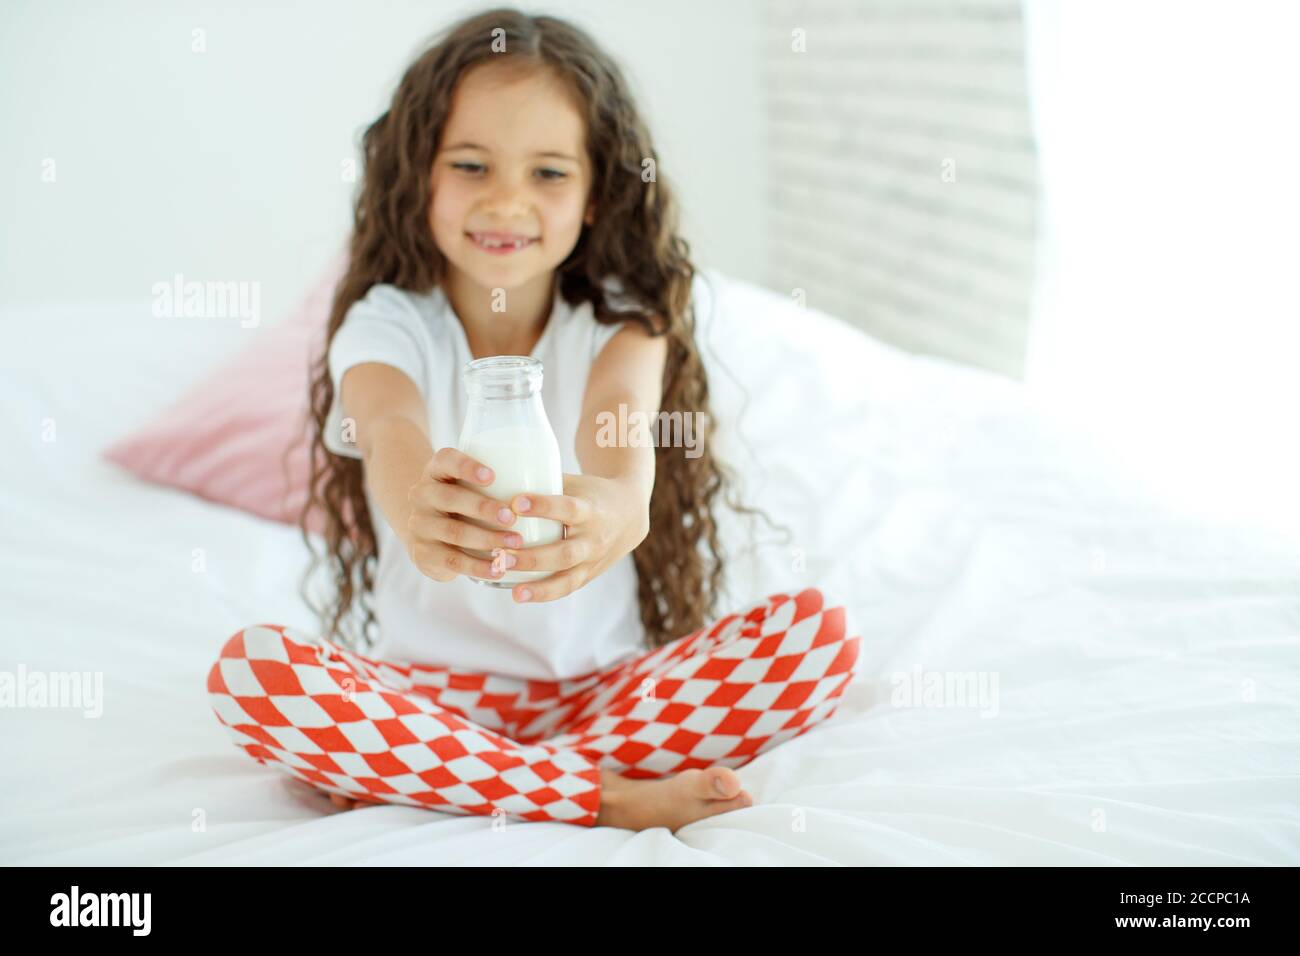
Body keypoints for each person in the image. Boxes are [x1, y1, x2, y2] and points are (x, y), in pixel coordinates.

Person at [207, 7, 860, 833]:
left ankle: (445, 779)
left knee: (819, 638)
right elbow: (389, 429)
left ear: (596, 196)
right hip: (432, 691)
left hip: (600, 690)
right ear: (422, 180)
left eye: (549, 173)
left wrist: (619, 508)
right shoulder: (387, 323)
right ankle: (604, 797)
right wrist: (419, 505)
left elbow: (620, 429)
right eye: (472, 165)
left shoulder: (622, 323)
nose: (507, 201)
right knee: (252, 674)